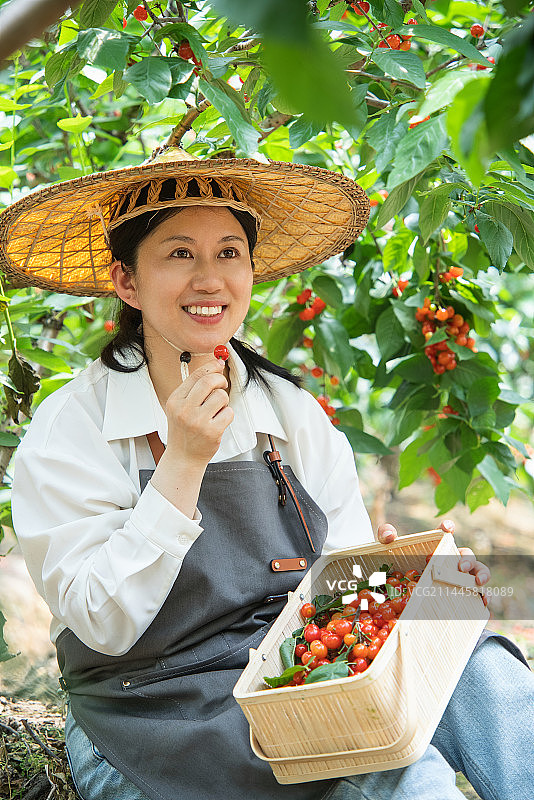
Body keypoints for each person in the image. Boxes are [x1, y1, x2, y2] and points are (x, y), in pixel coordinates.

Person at [2, 149, 532, 800]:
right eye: (179, 254)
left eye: (229, 253)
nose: (209, 279)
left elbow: (337, 590)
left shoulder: (287, 411)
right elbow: (102, 622)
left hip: (289, 678)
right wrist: (183, 461)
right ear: (127, 281)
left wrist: (400, 585)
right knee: (404, 776)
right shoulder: (74, 428)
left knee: (476, 657)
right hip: (154, 715)